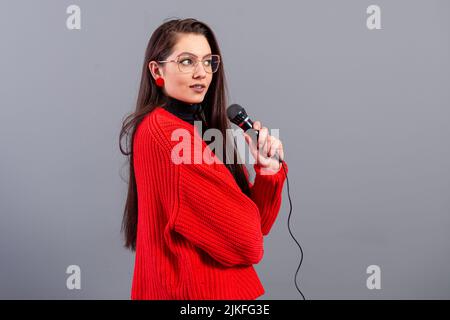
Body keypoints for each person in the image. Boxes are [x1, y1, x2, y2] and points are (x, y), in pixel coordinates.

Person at [119, 18, 288, 300]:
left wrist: (268, 172)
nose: (202, 73)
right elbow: (249, 244)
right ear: (157, 70)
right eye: (186, 62)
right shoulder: (169, 135)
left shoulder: (200, 131)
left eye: (209, 62)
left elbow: (257, 228)